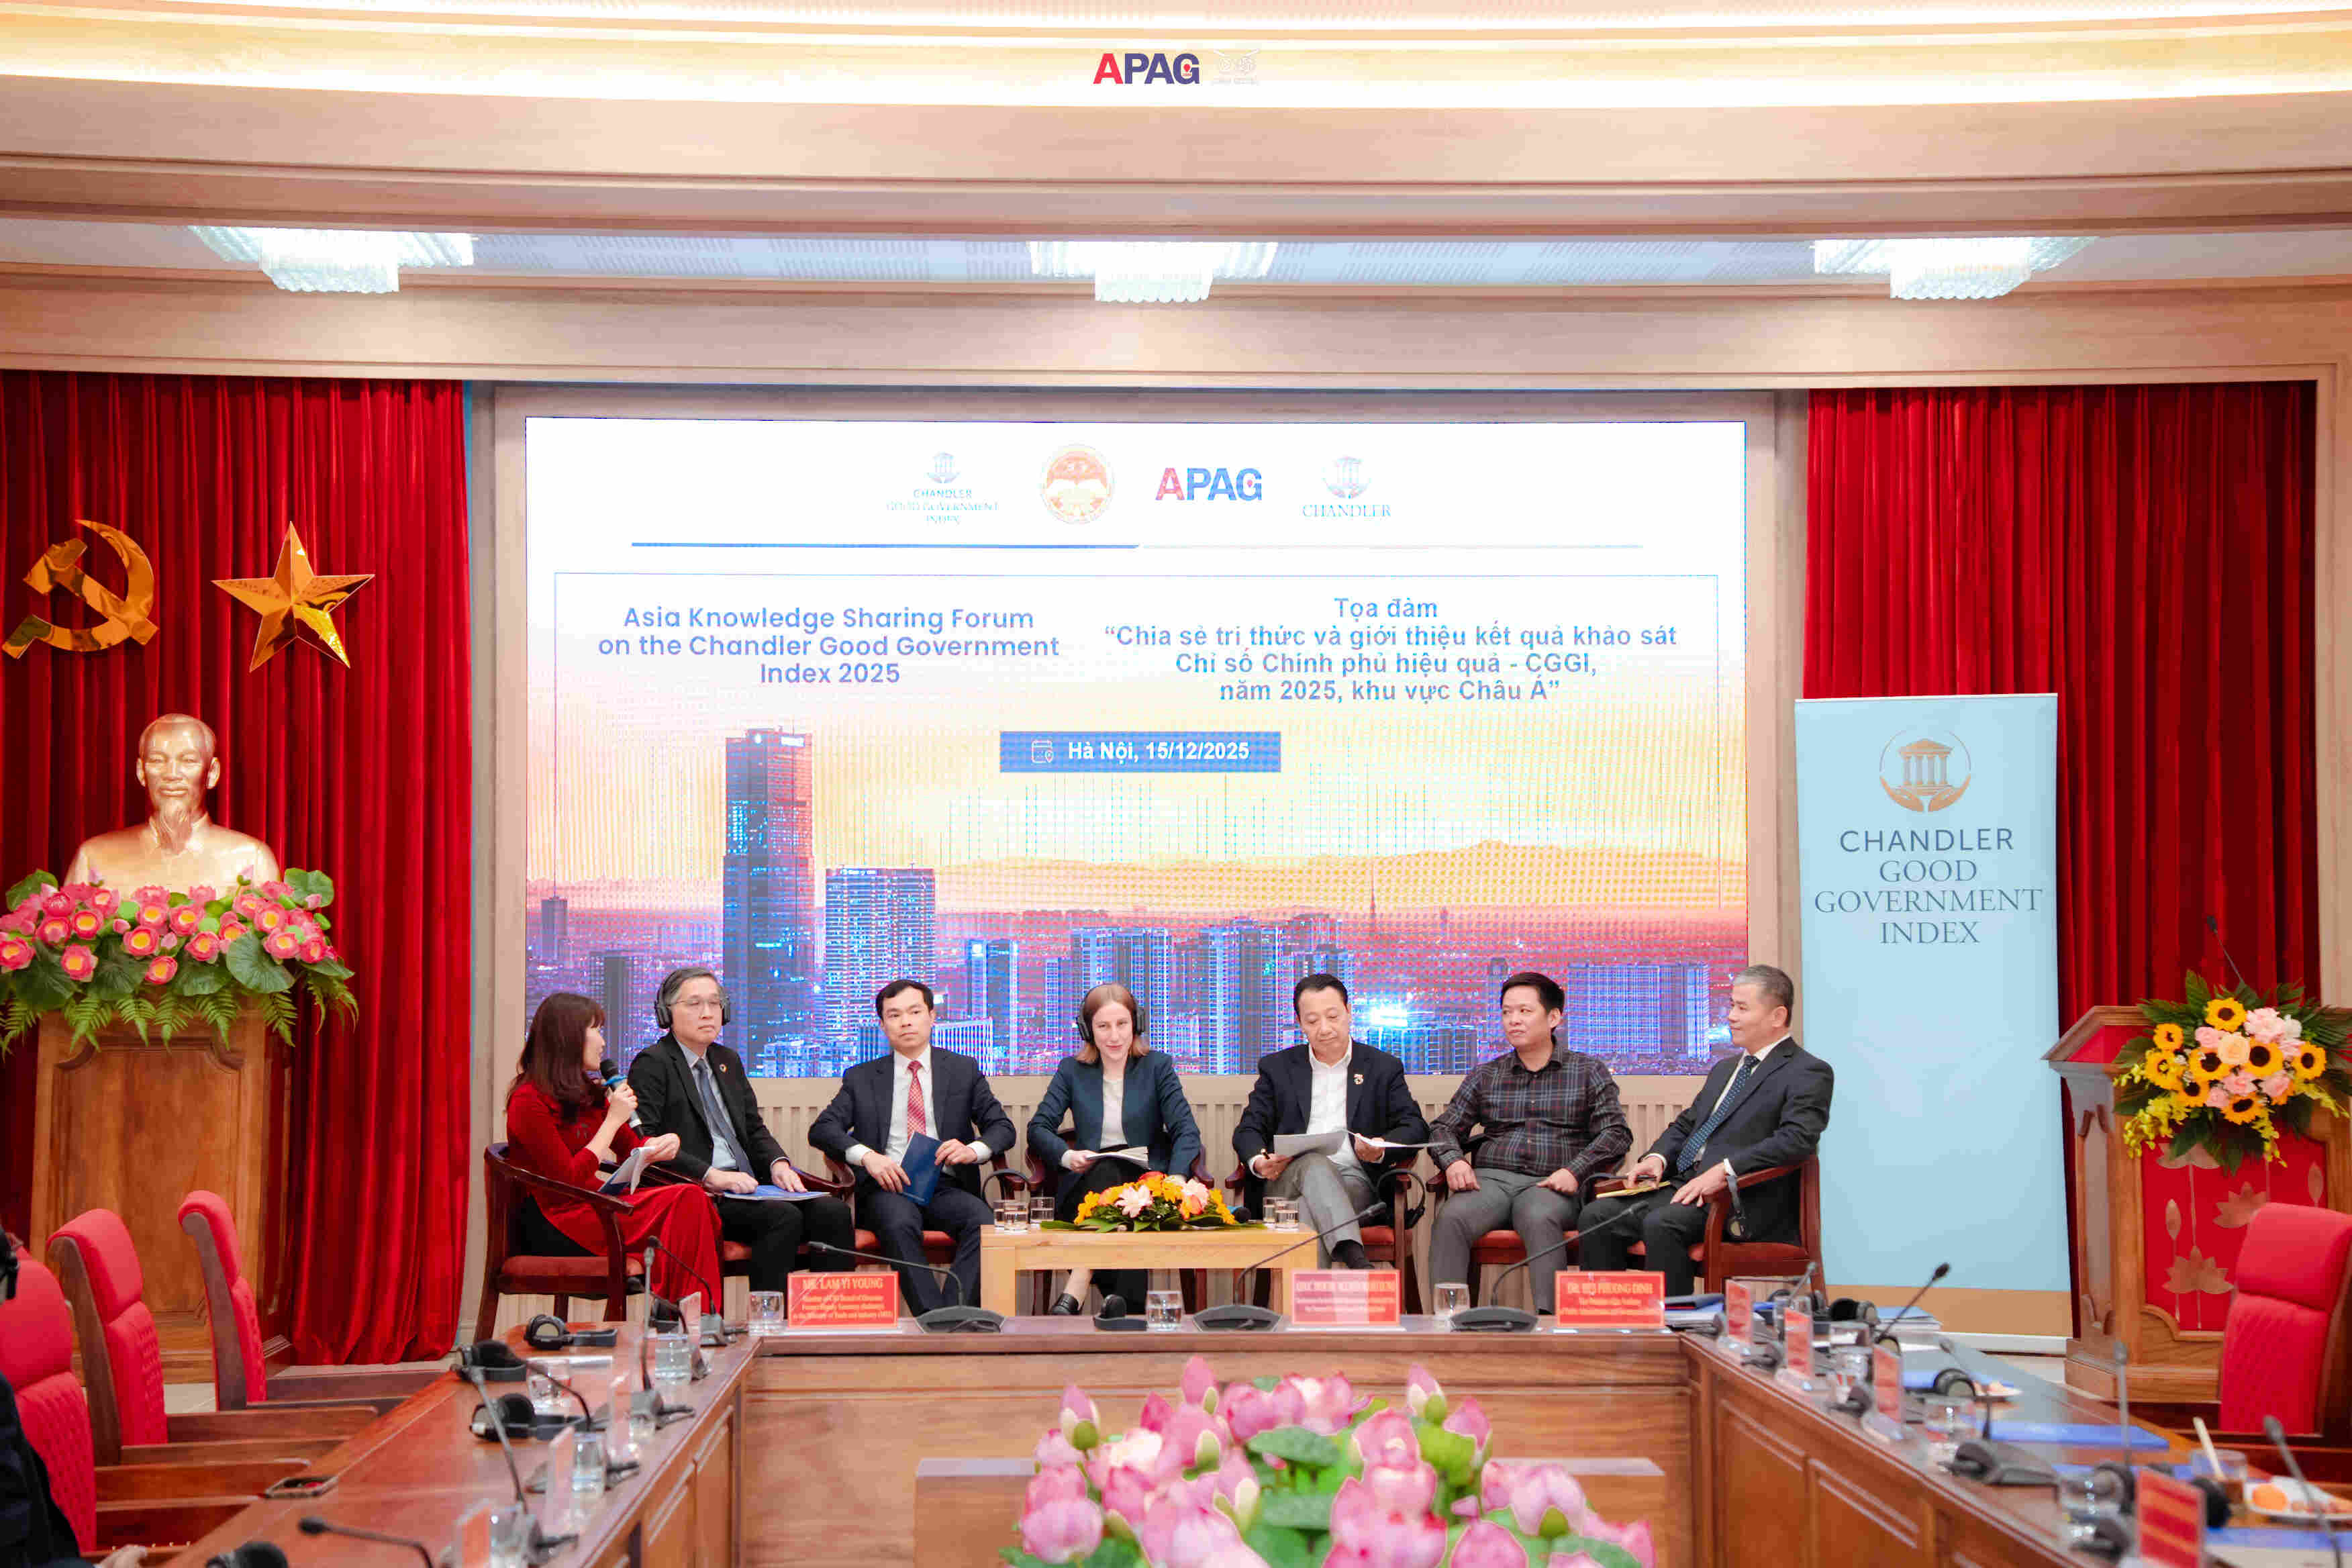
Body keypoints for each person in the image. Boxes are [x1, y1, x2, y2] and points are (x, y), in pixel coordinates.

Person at [1576, 963, 1834, 1297]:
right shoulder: (1725, 1069)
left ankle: (1674, 1325)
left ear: (1777, 1016)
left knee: (1663, 1223)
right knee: (1597, 1215)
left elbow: (1797, 1140)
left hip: (1744, 1199)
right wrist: (1657, 1158)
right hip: (1687, 1186)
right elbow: (1688, 1123)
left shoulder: (1807, 1071)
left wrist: (1726, 1171)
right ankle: (1608, 1321)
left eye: (1742, 1008)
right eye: (1731, 1005)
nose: (1731, 1016)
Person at [627, 967, 856, 1297]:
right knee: (781, 1218)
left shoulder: (727, 1060)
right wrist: (712, 1176)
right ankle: (770, 1320)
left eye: (714, 1003)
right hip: (698, 1193)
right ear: (667, 1013)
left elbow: (752, 1127)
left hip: (747, 1187)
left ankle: (827, 1318)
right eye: (694, 1004)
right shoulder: (653, 1063)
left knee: (833, 1212)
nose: (707, 1013)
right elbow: (645, 1142)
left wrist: (778, 1163)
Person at [1426, 971, 1632, 1315]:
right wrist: (1454, 1161)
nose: (1513, 1020)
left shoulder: (1587, 1071)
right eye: (1507, 1012)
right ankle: (1449, 1322)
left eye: (1524, 1011)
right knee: (1452, 1217)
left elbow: (1616, 1134)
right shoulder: (1486, 1075)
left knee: (1537, 1214)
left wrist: (1575, 1171)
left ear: (1553, 1018)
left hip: (1553, 1183)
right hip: (1491, 1182)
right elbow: (1443, 1128)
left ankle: (1551, 1325)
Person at [503, 991, 723, 1308]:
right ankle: (690, 1316)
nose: (603, 1042)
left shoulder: (586, 1094)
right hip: (557, 1221)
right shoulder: (528, 1100)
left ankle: (685, 1315)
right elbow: (567, 1179)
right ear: (568, 1037)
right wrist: (611, 1120)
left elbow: (631, 1148)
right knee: (686, 1201)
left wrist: (659, 1147)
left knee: (691, 1197)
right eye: (595, 1030)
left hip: (598, 1205)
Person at [809, 979, 1016, 1314]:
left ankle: (951, 1314)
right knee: (899, 1224)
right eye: (894, 1015)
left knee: (984, 1223)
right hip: (888, 1187)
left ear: (932, 1017)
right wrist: (868, 1157)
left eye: (914, 1012)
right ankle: (936, 1319)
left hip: (946, 1186)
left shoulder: (962, 1070)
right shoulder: (862, 1077)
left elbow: (1002, 1128)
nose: (905, 1022)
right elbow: (822, 1129)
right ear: (883, 1025)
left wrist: (973, 1150)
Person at [1028, 983, 1204, 1315]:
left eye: (1122, 1024)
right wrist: (1068, 1157)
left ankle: (1080, 1287)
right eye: (1103, 1026)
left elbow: (1186, 1130)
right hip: (1086, 1192)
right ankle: (1131, 1312)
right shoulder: (1071, 1070)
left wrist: (1178, 1177)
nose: (1114, 1036)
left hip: (1147, 1189)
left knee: (1128, 1196)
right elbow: (1038, 1128)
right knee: (1110, 1175)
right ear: (1088, 1031)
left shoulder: (1157, 1067)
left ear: (1136, 1025)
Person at [1233, 973, 1428, 1269]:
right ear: (1300, 1023)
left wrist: (1380, 1146)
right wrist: (1260, 1162)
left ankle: (1309, 1298)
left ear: (1349, 1012)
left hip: (1353, 1183)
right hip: (1286, 1183)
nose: (1324, 1029)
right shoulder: (1278, 1068)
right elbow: (1248, 1129)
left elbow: (1414, 1125)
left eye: (1333, 1016)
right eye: (1312, 1021)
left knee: (1307, 1212)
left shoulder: (1382, 1067)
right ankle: (1355, 1258)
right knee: (1314, 1163)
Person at [64, 712, 279, 891]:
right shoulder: (94, 858)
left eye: (188, 761)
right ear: (141, 772)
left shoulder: (251, 859)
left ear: (212, 773)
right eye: (158, 760)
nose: (172, 774)